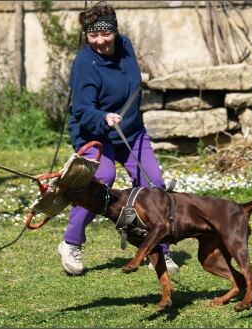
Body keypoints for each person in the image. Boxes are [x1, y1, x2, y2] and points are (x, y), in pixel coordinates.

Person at [58, 2, 179, 276]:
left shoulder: (126, 47)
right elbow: (82, 108)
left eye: (105, 34)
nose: (100, 41)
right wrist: (104, 117)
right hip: (94, 133)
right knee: (102, 179)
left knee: (154, 183)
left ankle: (158, 249)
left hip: (131, 132)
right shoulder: (84, 63)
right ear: (86, 35)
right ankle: (71, 242)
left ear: (115, 31)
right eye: (93, 36)